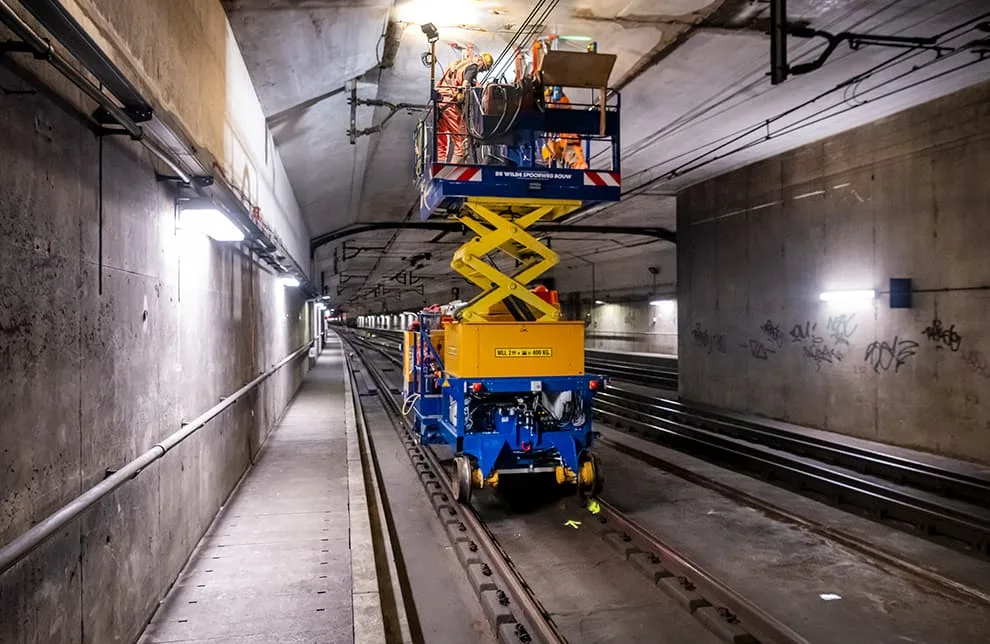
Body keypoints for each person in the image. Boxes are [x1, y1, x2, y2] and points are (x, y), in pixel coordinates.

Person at [436, 52, 494, 164]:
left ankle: (439, 168)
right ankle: (452, 174)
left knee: (441, 142)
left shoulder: (459, 63)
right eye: (484, 68)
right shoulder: (473, 67)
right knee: (461, 145)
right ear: (481, 61)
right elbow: (465, 85)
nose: (481, 71)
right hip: (450, 106)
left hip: (439, 103)